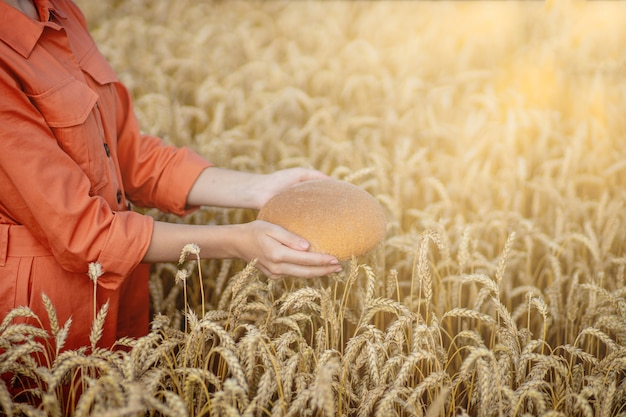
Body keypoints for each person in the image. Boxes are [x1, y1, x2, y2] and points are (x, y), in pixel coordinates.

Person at [0, 0, 342, 352]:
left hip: (120, 294)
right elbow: (82, 231)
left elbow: (124, 155)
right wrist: (238, 241)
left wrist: (259, 188)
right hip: (42, 323)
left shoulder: (60, 10)